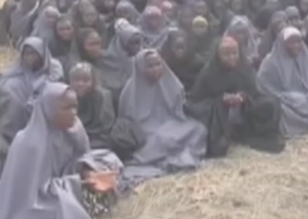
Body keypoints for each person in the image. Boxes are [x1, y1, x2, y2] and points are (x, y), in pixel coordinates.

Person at [0, 82, 123, 219]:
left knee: (107, 160)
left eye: (75, 107)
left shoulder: (75, 129)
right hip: (36, 203)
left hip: (66, 184)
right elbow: (33, 195)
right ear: (48, 109)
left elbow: (79, 159)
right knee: (64, 206)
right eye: (66, 108)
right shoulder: (29, 144)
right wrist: (80, 182)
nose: (73, 113)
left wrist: (87, 171)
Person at [117, 49, 207, 183]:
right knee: (164, 140)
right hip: (147, 132)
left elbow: (178, 111)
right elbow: (129, 124)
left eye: (158, 64)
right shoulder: (130, 91)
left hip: (172, 123)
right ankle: (173, 156)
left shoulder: (171, 81)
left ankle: (181, 155)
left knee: (199, 129)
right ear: (141, 67)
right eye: (150, 66)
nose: (155, 69)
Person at [187, 36, 285, 157]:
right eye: (226, 54)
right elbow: (195, 102)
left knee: (271, 104)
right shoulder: (208, 73)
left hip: (244, 112)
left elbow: (256, 94)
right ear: (218, 55)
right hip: (220, 117)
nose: (231, 57)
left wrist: (244, 97)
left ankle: (250, 133)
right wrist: (221, 100)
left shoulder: (245, 68)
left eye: (234, 53)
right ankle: (222, 139)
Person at [69, 62, 145, 159]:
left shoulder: (102, 97)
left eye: (86, 80)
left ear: (93, 81)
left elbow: (105, 127)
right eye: (76, 80)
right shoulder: (68, 97)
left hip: (101, 136)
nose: (80, 84)